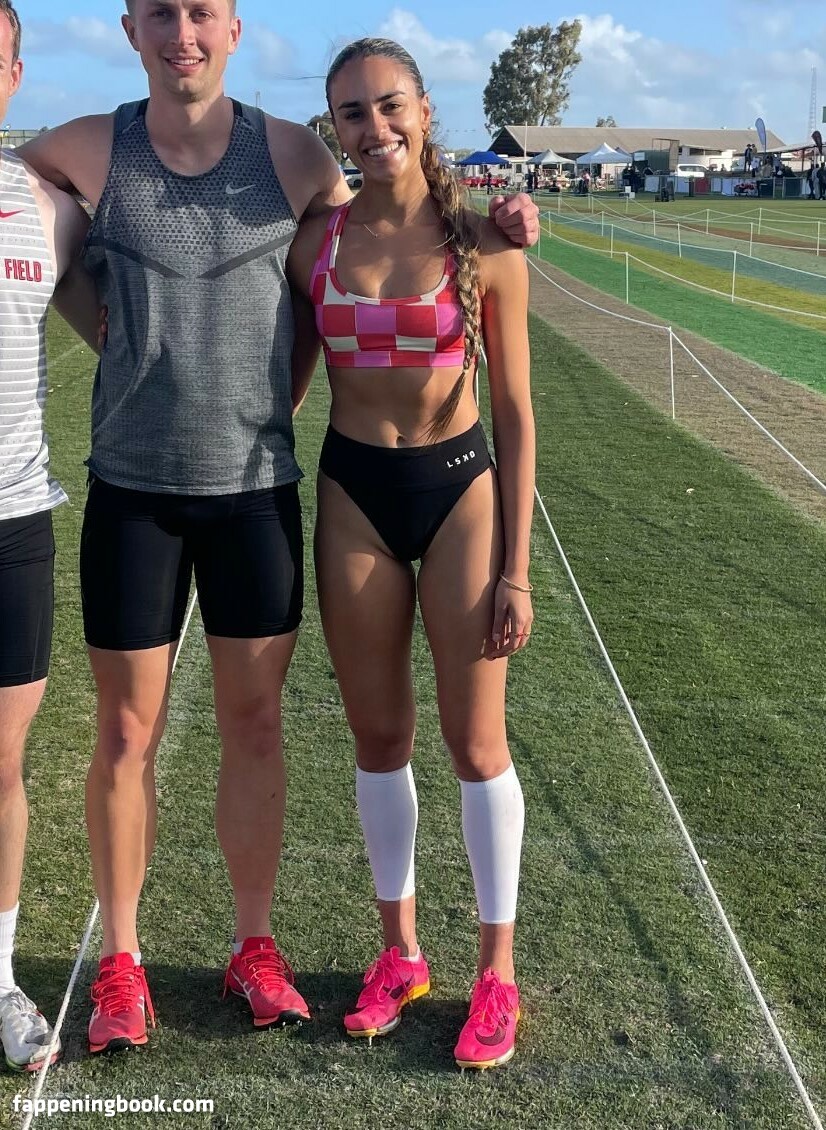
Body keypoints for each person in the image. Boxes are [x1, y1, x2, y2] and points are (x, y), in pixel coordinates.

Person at [19, 0, 539, 1056]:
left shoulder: (340, 178)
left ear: (235, 28)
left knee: (350, 731)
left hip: (314, 488)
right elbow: (23, 197)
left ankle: (366, 957)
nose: (183, 32)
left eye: (202, 12)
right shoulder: (109, 156)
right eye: (161, 13)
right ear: (130, 29)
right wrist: (99, 315)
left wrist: (508, 215)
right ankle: (153, 959)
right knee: (174, 733)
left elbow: (490, 376)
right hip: (183, 485)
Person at [287, 38, 534, 1071]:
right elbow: (284, 381)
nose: (374, 126)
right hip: (354, 493)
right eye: (352, 112)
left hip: (461, 491)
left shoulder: (487, 242)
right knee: (379, 735)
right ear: (334, 127)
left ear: (425, 110)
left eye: (390, 105)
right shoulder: (314, 243)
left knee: (476, 742)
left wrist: (516, 567)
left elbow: (515, 412)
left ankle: (496, 972)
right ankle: (401, 953)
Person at [0, 0, 99, 1073]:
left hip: (14, 520)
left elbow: (125, 326)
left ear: (15, 74)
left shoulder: (46, 209)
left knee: (2, 762)